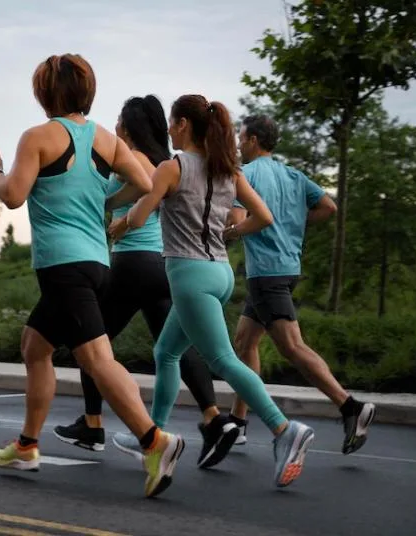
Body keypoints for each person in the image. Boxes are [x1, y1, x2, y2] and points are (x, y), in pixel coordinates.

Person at [0, 54, 185, 498]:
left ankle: (156, 442)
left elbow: (13, 196)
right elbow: (147, 184)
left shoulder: (37, 137)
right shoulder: (107, 140)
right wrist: (105, 204)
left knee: (96, 359)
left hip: (63, 265)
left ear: (44, 92)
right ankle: (28, 445)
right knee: (35, 347)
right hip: (96, 262)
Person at [108, 94, 315, 488]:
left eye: (172, 122)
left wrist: (122, 222)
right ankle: (154, 436)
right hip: (220, 273)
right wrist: (229, 232)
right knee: (166, 352)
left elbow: (138, 213)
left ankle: (284, 429)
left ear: (184, 124)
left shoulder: (173, 167)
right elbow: (264, 216)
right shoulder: (227, 170)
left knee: (222, 359)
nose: (168, 129)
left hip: (189, 275)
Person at [53, 94, 239, 469]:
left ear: (131, 126)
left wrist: (109, 213)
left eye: (121, 120)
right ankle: (213, 418)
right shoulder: (163, 161)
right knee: (173, 348)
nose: (116, 126)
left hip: (133, 264)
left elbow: (118, 194)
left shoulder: (135, 160)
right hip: (161, 267)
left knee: (90, 341)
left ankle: (92, 425)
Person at [227, 114, 376, 453]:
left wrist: (227, 232)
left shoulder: (245, 175)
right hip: (287, 268)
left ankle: (350, 406)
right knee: (244, 341)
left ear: (252, 140)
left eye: (241, 137)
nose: (237, 143)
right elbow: (328, 206)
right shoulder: (293, 175)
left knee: (291, 347)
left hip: (266, 273)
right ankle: (237, 421)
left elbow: (236, 221)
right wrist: (293, 224)